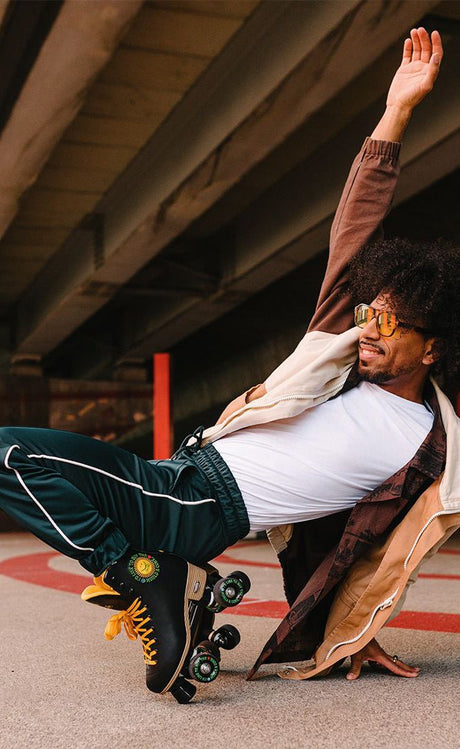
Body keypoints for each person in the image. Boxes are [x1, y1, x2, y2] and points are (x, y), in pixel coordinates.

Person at [0, 28, 458, 694]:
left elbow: (368, 554)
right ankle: (155, 580)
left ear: (434, 346)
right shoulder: (337, 354)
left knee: (8, 454)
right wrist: (396, 113)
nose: (369, 328)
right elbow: (353, 232)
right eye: (368, 311)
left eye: (389, 322)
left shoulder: (431, 449)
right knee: (16, 460)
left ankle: (147, 578)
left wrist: (354, 630)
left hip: (197, 504)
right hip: (177, 479)